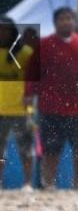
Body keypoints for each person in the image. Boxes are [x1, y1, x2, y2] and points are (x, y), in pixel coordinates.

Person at [24, 8, 78, 190]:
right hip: (51, 107)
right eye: (62, 19)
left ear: (74, 21)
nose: (66, 22)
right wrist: (29, 94)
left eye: (69, 18)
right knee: (51, 148)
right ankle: (49, 183)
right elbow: (32, 71)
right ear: (55, 23)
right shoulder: (44, 44)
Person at [0, 17, 34, 190]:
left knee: (26, 149)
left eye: (6, 29)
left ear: (13, 31)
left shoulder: (26, 53)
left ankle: (27, 183)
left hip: (22, 110)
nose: (2, 33)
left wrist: (30, 95)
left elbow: (35, 80)